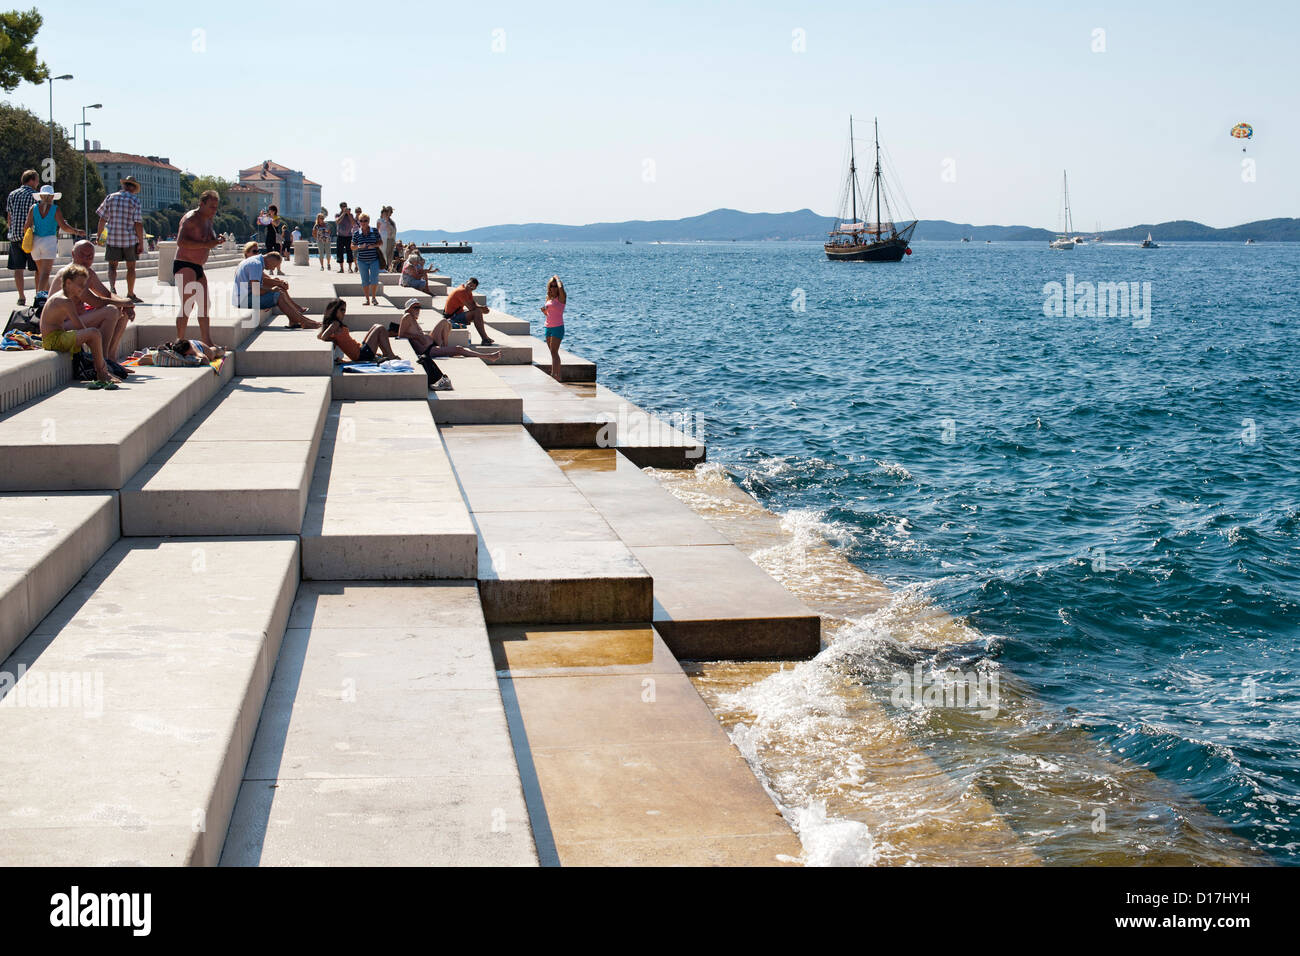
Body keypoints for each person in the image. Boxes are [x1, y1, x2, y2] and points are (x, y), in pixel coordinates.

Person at [38, 265, 117, 387]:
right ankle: (102, 372)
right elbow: (81, 328)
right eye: (80, 284)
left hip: (56, 336)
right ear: (68, 283)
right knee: (94, 333)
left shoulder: (63, 296)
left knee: (93, 334)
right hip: (53, 340)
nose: (83, 288)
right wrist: (96, 349)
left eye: (85, 284)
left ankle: (102, 367)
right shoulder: (65, 301)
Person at [56, 240, 136, 359]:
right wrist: (124, 302)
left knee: (122, 312)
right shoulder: (70, 275)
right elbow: (96, 301)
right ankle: (102, 361)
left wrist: (125, 305)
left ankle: (111, 358)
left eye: (89, 256)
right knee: (111, 311)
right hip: (62, 326)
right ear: (73, 254)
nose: (85, 259)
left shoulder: (88, 273)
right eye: (82, 255)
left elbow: (107, 294)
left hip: (78, 319)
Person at [173, 188, 226, 346]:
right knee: (187, 304)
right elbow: (180, 242)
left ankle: (207, 340)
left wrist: (217, 240)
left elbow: (208, 240)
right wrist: (206, 244)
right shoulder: (191, 218)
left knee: (205, 304)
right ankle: (179, 341)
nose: (214, 211)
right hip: (184, 264)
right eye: (211, 207)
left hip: (198, 267)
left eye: (216, 207)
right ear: (202, 204)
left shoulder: (208, 219)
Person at [25, 185, 87, 295]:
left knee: (41, 273)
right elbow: (64, 227)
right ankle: (38, 297)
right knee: (45, 274)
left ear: (41, 196)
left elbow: (26, 227)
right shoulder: (55, 209)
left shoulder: (33, 208)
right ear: (52, 196)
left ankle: (47, 297)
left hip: (35, 241)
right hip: (49, 241)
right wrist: (77, 231)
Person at [233, 251, 320, 328]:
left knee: (278, 290)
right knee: (278, 295)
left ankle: (295, 320)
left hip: (244, 296)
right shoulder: (256, 265)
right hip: (243, 300)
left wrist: (277, 284)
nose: (273, 269)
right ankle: (304, 321)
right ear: (270, 260)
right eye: (274, 266)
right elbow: (256, 290)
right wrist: (272, 290)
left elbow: (261, 282)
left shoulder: (255, 261)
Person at [398, 298, 500, 363]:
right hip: (427, 349)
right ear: (408, 309)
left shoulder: (413, 319)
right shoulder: (407, 316)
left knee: (445, 322)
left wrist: (421, 336)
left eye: (419, 307)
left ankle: (445, 348)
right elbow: (401, 334)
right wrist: (418, 336)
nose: (418, 309)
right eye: (415, 307)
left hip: (430, 342)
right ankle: (488, 356)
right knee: (459, 349)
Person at [95, 175, 146, 302]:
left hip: (112, 238)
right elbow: (138, 223)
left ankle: (112, 289)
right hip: (129, 239)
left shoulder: (110, 197)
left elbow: (102, 219)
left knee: (112, 266)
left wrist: (99, 236)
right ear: (134, 188)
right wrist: (141, 242)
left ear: (124, 185)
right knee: (131, 268)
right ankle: (130, 293)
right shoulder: (135, 200)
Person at [317, 298, 399, 363]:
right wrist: (334, 339)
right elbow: (323, 336)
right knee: (380, 328)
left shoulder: (333, 324)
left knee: (375, 326)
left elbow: (319, 335)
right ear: (334, 311)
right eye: (341, 310)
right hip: (362, 355)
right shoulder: (335, 324)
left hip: (361, 350)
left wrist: (335, 339)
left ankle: (387, 354)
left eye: (344, 310)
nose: (344, 313)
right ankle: (390, 355)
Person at [5, 169, 38, 305]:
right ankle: (38, 295)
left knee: (18, 268)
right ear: (31, 180)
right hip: (31, 237)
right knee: (37, 268)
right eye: (36, 180)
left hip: (15, 236)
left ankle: (21, 296)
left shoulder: (12, 194)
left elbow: (9, 216)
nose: (37, 183)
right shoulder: (36, 196)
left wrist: (11, 230)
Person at [442, 277, 494, 345]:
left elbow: (473, 303)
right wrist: (482, 310)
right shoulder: (461, 291)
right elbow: (471, 307)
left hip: (456, 315)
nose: (470, 287)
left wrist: (482, 307)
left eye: (472, 287)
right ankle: (485, 338)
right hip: (451, 318)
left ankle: (485, 338)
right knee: (477, 312)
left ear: (475, 288)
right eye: (469, 284)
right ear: (466, 282)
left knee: (478, 312)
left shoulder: (467, 291)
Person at [352, 213, 383, 305]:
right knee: (364, 280)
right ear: (359, 222)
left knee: (374, 279)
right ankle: (367, 299)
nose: (363, 222)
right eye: (361, 221)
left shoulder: (374, 231)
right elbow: (352, 246)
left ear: (368, 221)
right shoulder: (357, 233)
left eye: (365, 220)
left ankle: (373, 298)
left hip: (374, 259)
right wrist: (359, 246)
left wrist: (373, 245)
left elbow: (380, 242)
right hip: (362, 260)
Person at [541, 275, 566, 381]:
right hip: (548, 327)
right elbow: (550, 314)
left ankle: (557, 375)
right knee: (552, 352)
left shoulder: (561, 298)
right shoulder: (549, 298)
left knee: (554, 352)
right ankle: (554, 374)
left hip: (558, 327)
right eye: (552, 286)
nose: (554, 288)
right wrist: (544, 312)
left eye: (555, 286)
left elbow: (561, 289)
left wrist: (558, 279)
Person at [334, 202, 356, 272]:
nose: (344, 207)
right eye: (343, 206)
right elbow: (337, 221)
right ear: (340, 207)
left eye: (345, 206)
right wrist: (343, 213)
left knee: (349, 252)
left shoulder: (350, 215)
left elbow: (353, 223)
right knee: (340, 252)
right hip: (340, 236)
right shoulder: (338, 214)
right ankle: (341, 268)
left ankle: (350, 268)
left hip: (349, 236)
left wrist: (348, 214)